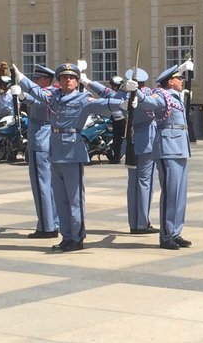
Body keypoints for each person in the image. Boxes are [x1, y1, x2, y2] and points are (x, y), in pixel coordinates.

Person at [14, 62, 127, 252]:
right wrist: (21, 78)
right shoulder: (54, 97)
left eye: (72, 78)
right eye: (64, 77)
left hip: (73, 150)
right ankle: (66, 236)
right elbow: (37, 92)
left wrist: (125, 102)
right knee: (60, 198)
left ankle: (77, 237)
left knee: (75, 199)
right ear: (59, 81)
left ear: (77, 82)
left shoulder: (83, 98)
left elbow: (104, 103)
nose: (68, 80)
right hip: (55, 150)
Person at [131, 61, 193, 250]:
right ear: (170, 81)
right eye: (178, 78)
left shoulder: (176, 97)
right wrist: (136, 91)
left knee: (180, 194)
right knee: (170, 193)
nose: (181, 80)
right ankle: (166, 235)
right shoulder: (161, 95)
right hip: (167, 147)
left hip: (180, 147)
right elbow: (147, 102)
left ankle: (175, 231)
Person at [18, 64, 58, 238]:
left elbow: (37, 97)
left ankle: (46, 226)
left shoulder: (49, 93)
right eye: (33, 79)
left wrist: (21, 79)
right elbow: (33, 100)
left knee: (41, 184)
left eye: (38, 78)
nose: (35, 81)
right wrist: (21, 95)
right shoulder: (49, 93)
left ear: (47, 80)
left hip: (40, 141)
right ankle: (52, 222)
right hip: (46, 141)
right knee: (48, 185)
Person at [124, 68, 157, 235]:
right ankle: (142, 223)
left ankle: (134, 222)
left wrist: (88, 83)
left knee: (133, 185)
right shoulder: (147, 94)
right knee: (145, 183)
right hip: (146, 143)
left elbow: (106, 93)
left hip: (131, 141)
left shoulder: (125, 95)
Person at [108, 75, 127, 163]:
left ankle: (130, 156)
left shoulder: (124, 94)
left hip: (123, 119)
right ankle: (116, 158)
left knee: (126, 139)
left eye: (115, 85)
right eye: (112, 85)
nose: (113, 87)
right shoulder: (111, 94)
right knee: (116, 140)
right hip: (115, 119)